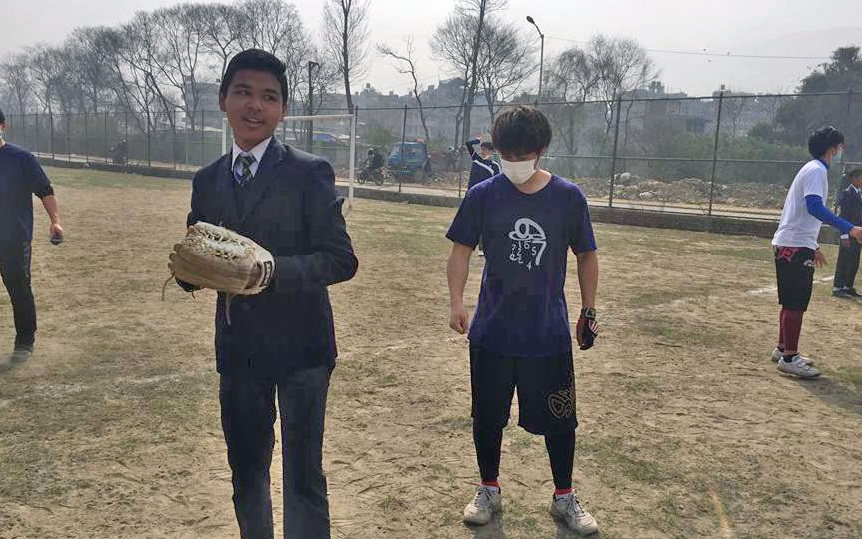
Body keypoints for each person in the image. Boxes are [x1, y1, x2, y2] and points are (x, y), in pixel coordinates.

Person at [170, 49, 358, 538]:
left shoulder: (309, 171)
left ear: (283, 110)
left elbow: (341, 259)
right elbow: (202, 257)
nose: (255, 106)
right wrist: (187, 273)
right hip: (240, 351)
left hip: (304, 350)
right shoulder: (206, 180)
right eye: (244, 92)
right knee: (247, 472)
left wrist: (269, 273)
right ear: (223, 100)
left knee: (303, 478)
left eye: (269, 97)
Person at [446, 106, 600, 535]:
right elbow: (460, 250)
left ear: (542, 150)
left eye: (522, 152)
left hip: (546, 333)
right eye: (506, 152)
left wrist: (589, 309)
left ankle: (564, 496)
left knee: (560, 419)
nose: (513, 161)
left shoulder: (568, 197)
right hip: (492, 331)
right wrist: (457, 302)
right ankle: (488, 488)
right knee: (487, 416)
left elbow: (587, 254)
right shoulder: (483, 195)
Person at [770, 126, 862, 378]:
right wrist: (849, 227)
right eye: (840, 147)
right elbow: (813, 207)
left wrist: (814, 245)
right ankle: (790, 357)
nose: (841, 152)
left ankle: (782, 348)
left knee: (790, 300)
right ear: (832, 148)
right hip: (794, 246)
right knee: (796, 301)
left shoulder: (812, 170)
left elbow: (801, 213)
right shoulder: (816, 171)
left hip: (796, 243)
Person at [0, 107, 64, 364]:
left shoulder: (21, 158)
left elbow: (44, 190)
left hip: (14, 237)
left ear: (2, 126)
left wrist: (56, 222)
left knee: (19, 289)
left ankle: (24, 343)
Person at [832, 167, 862, 297]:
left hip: (858, 233)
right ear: (855, 178)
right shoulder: (847, 193)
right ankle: (838, 287)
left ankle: (847, 285)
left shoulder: (859, 193)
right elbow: (842, 216)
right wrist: (844, 234)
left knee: (854, 260)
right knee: (844, 259)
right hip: (848, 232)